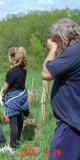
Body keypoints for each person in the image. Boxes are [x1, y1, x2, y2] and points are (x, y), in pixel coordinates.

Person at [41, 18, 80, 160]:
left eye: (54, 38)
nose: (52, 40)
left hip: (71, 124)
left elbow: (46, 73)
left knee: (58, 154)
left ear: (61, 36)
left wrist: (52, 50)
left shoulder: (74, 51)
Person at [0, 47, 29, 154]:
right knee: (19, 118)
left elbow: (6, 87)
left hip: (12, 98)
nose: (8, 58)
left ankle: (11, 147)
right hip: (21, 97)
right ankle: (18, 139)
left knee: (13, 123)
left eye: (9, 56)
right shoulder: (23, 70)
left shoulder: (11, 71)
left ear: (13, 58)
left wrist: (2, 95)